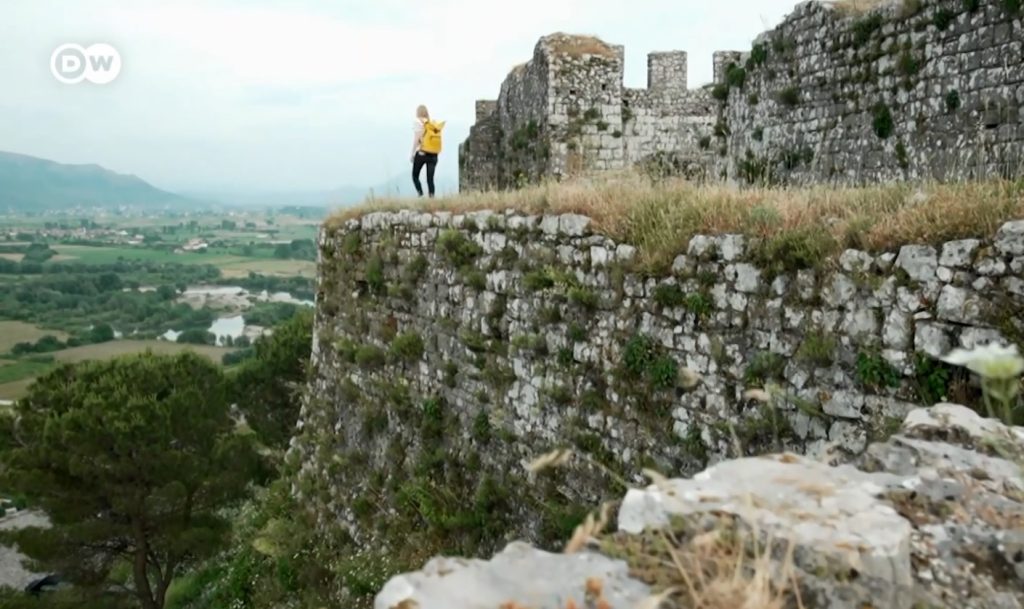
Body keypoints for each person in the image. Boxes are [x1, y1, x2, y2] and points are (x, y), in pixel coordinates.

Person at [411, 105, 444, 198]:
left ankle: (420, 194)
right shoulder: (432, 125)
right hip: (433, 154)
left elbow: (417, 138)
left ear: (418, 112)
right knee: (430, 179)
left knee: (415, 176)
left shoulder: (417, 122)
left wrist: (412, 153)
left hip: (422, 153)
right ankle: (431, 198)